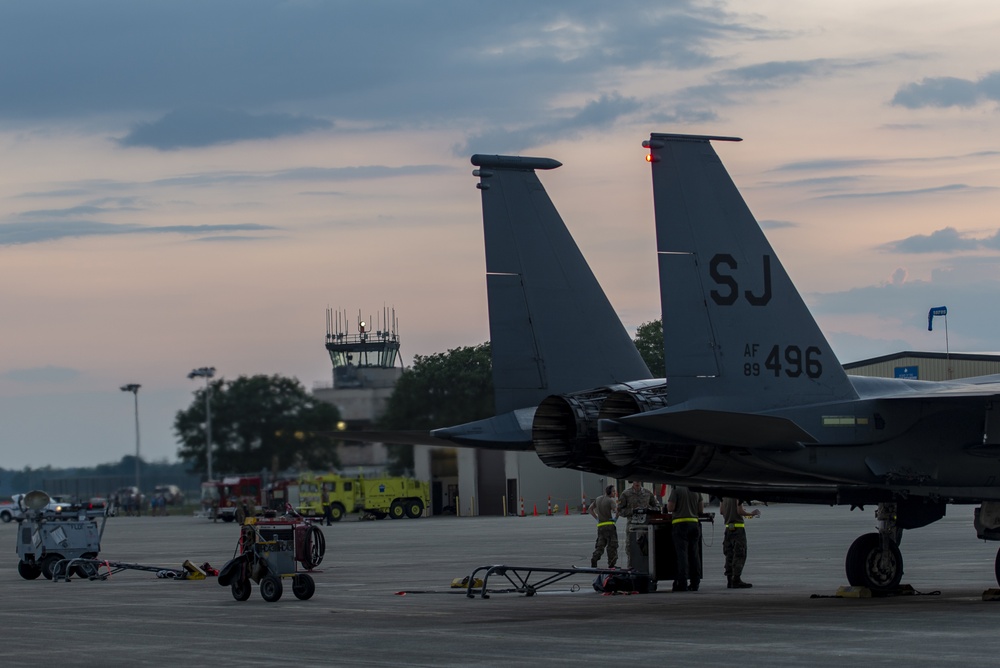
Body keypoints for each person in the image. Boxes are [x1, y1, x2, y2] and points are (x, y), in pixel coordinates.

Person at [667, 485, 704, 591]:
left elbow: (670, 508)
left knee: (682, 555)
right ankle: (695, 582)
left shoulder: (676, 489)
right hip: (694, 524)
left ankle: (682, 583)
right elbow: (700, 509)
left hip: (680, 524)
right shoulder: (696, 489)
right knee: (694, 554)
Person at [617, 480, 660, 568]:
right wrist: (632, 511)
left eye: (639, 481)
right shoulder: (626, 494)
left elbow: (657, 507)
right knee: (630, 549)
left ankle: (647, 568)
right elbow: (620, 510)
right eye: (636, 481)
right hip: (632, 526)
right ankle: (631, 568)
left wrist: (649, 511)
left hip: (645, 527)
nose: (637, 483)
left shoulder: (648, 493)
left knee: (647, 548)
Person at [720, 497, 760, 588]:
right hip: (738, 529)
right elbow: (739, 511)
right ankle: (736, 579)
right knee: (739, 554)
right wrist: (751, 514)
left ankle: (729, 580)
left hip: (728, 528)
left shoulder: (722, 496)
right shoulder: (737, 494)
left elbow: (721, 511)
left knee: (729, 554)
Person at [588, 485, 618, 569]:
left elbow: (590, 509)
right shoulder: (611, 501)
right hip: (609, 526)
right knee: (612, 545)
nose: (614, 493)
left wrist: (597, 518)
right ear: (609, 492)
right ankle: (611, 563)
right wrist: (615, 518)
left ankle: (595, 558)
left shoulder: (598, 499)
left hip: (600, 526)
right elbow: (616, 510)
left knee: (600, 545)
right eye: (613, 491)